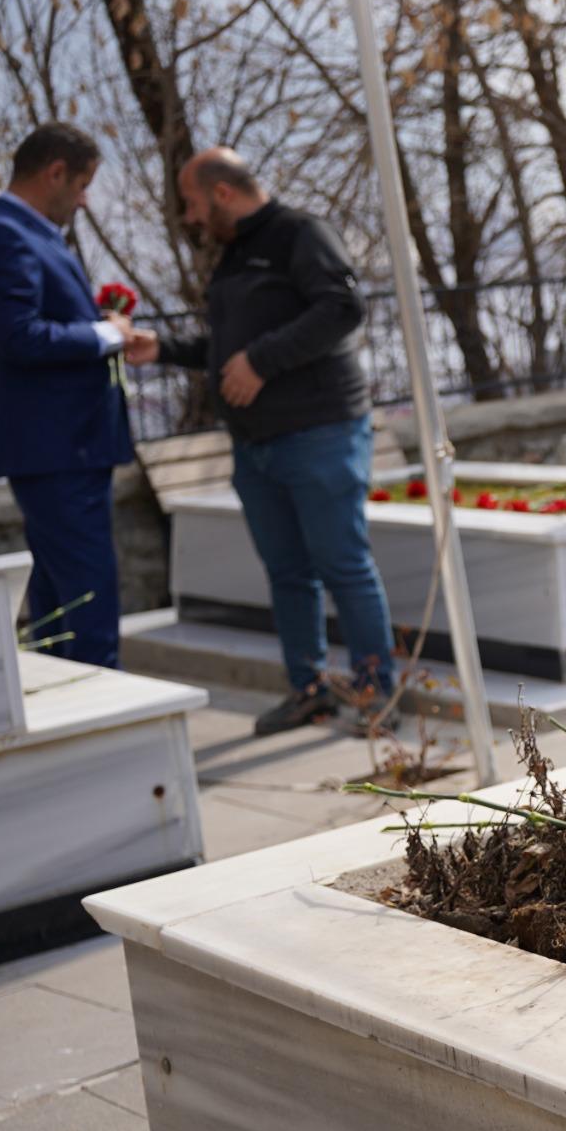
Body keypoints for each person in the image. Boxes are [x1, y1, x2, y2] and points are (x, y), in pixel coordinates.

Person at [127, 150, 396, 736]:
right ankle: (309, 691)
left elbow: (343, 308)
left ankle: (377, 695)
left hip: (319, 432)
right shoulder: (233, 255)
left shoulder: (301, 234)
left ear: (222, 192)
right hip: (255, 446)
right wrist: (164, 349)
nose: (190, 217)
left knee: (343, 565)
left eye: (192, 203)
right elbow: (231, 350)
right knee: (287, 573)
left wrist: (262, 362)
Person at [0, 123, 135, 669]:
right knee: (88, 598)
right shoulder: (4, 235)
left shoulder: (24, 233)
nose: (84, 201)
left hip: (62, 448)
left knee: (62, 602)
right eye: (82, 186)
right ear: (55, 172)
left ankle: (70, 695)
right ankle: (102, 708)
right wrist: (106, 334)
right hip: (58, 448)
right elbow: (18, 336)